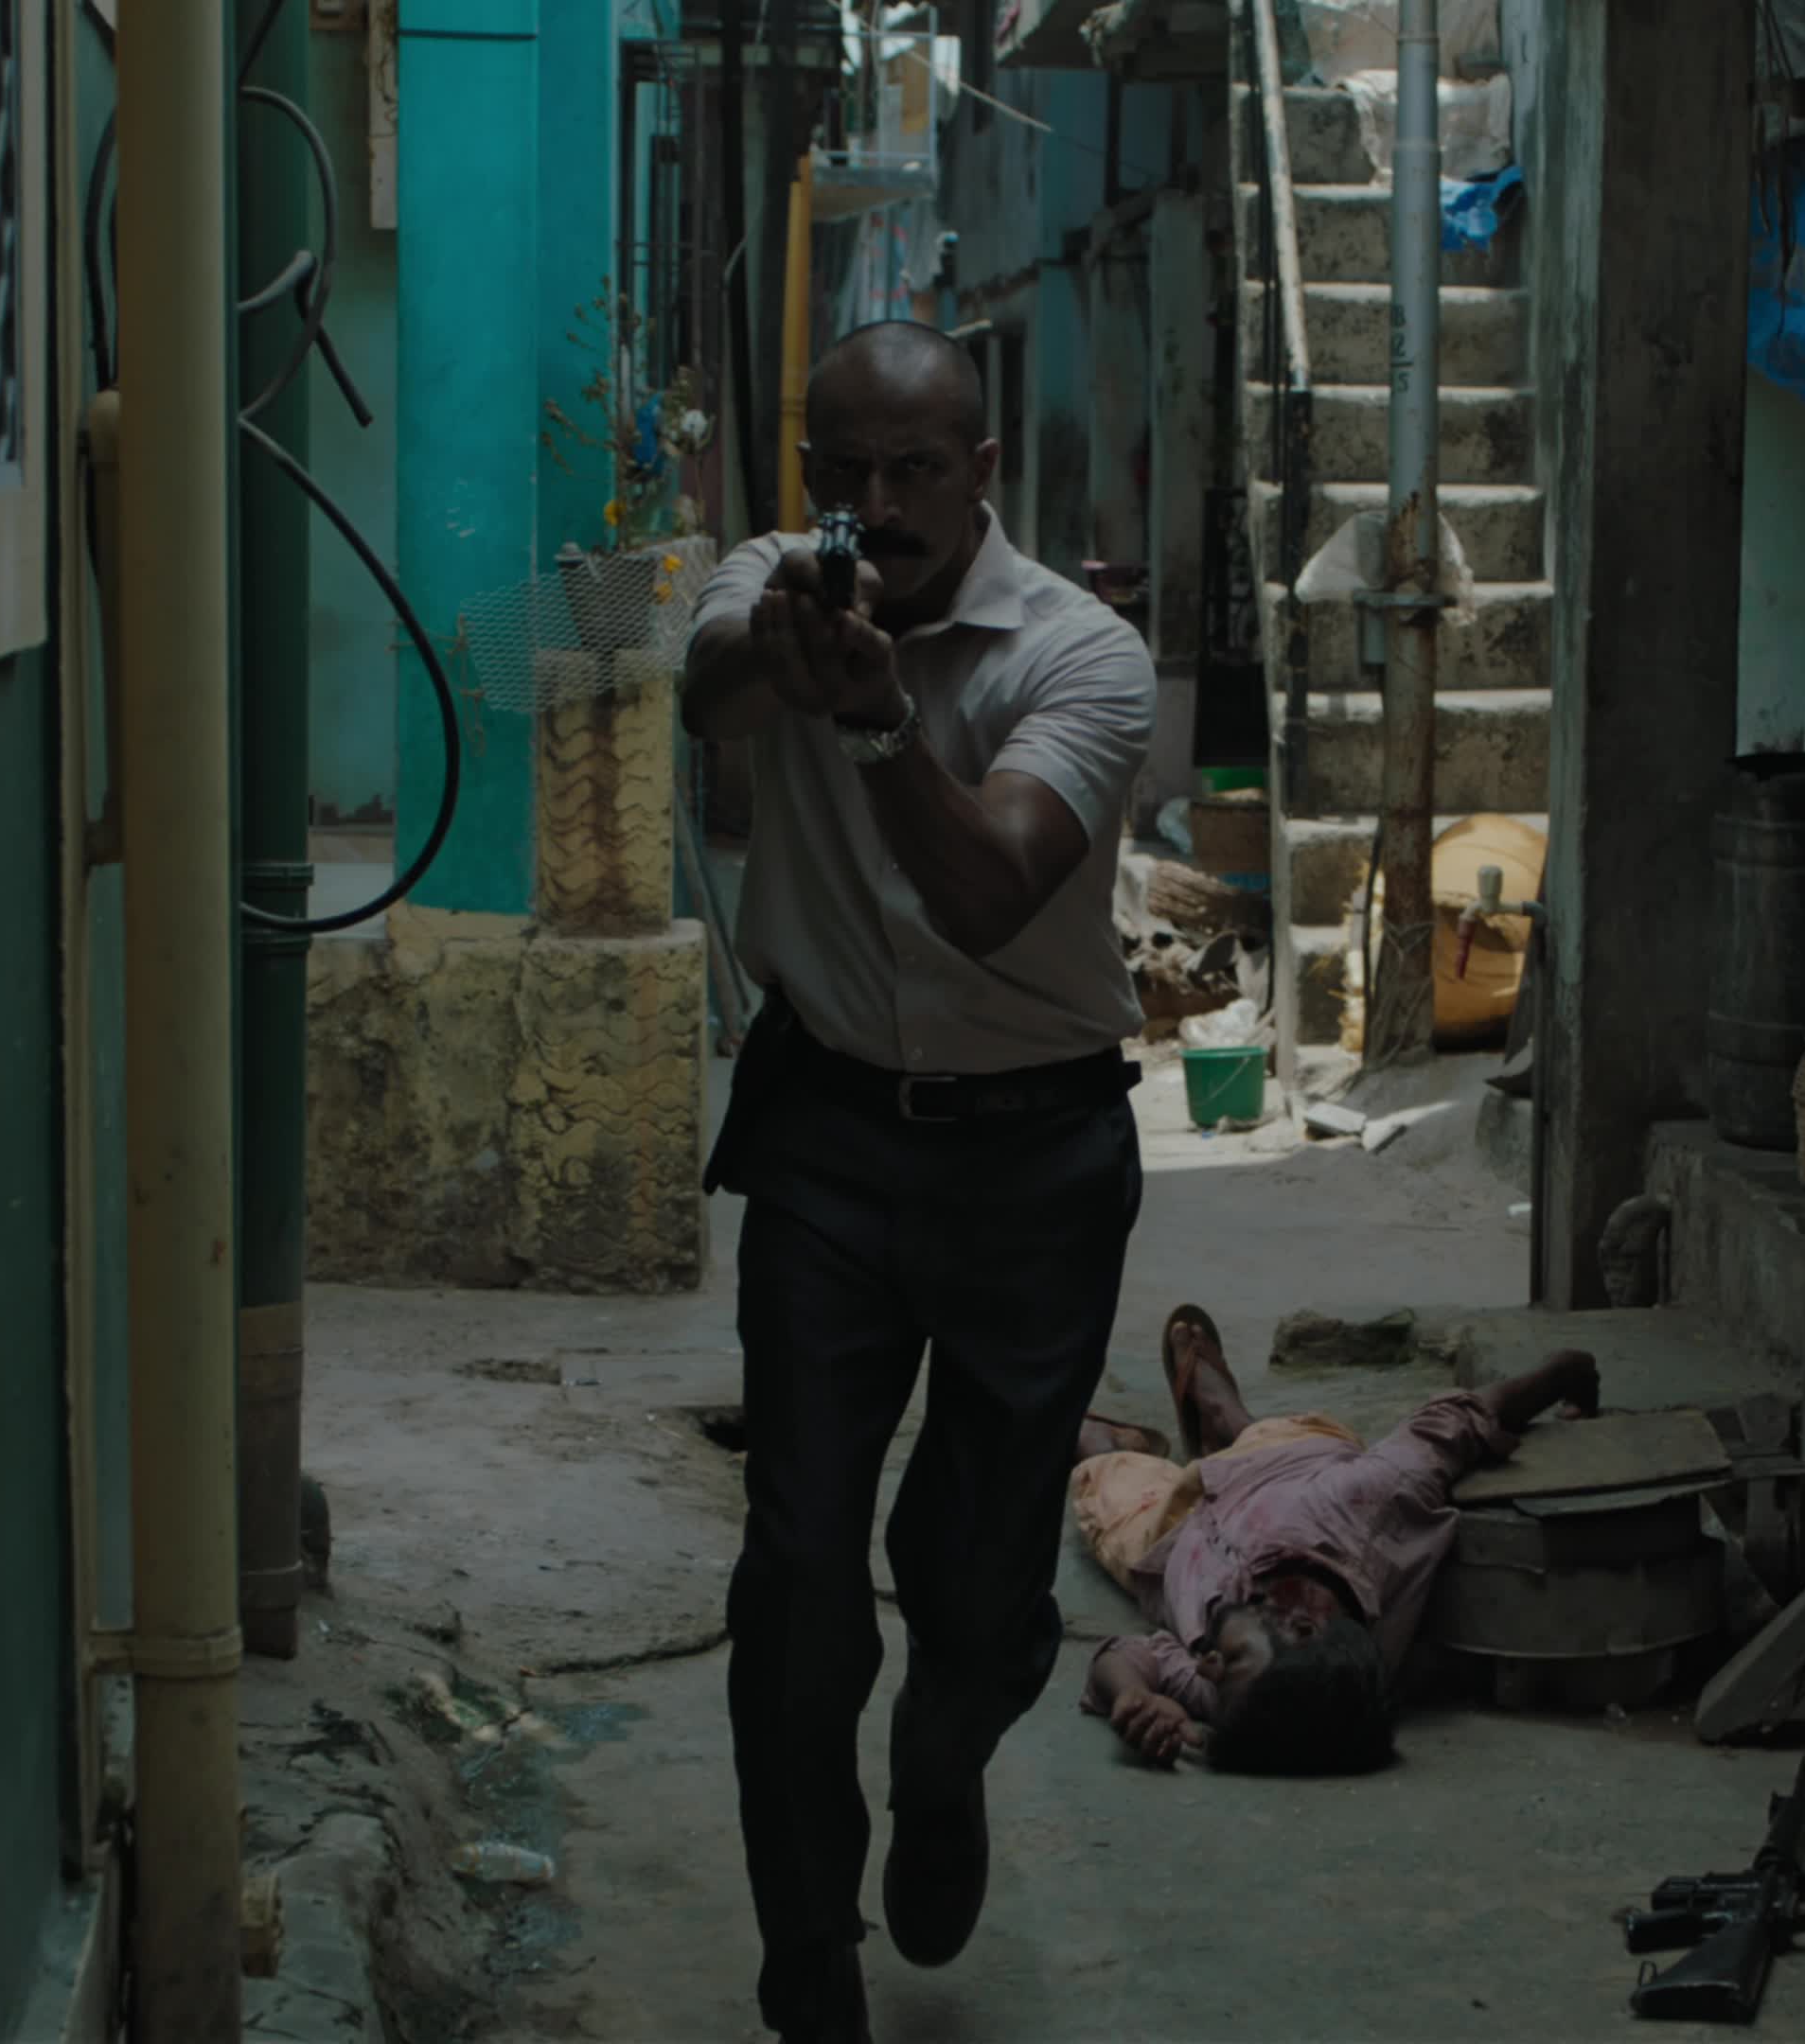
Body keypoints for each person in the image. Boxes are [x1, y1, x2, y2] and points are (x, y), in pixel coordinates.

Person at [681, 320, 1158, 2044]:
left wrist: (881, 720)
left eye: (913, 472)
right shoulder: (777, 581)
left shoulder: (1082, 652)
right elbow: (710, 686)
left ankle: (944, 1758)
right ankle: (807, 1950)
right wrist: (783, 650)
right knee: (799, 1563)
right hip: (826, 1130)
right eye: (845, 473)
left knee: (976, 1577)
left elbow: (990, 892)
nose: (876, 507)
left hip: (1038, 1153)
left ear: (981, 471)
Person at [1071, 1307, 1604, 1773]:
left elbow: (1124, 1656)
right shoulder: (1370, 1505)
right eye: (1228, 1659)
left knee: (1101, 1483)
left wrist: (1133, 1697)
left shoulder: (1243, 1690)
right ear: (1301, 1625)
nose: (1204, 1666)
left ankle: (1108, 1441)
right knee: (1259, 1434)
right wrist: (1560, 1376)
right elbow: (1455, 1422)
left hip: (1173, 1544)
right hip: (1284, 1464)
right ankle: (1222, 1414)